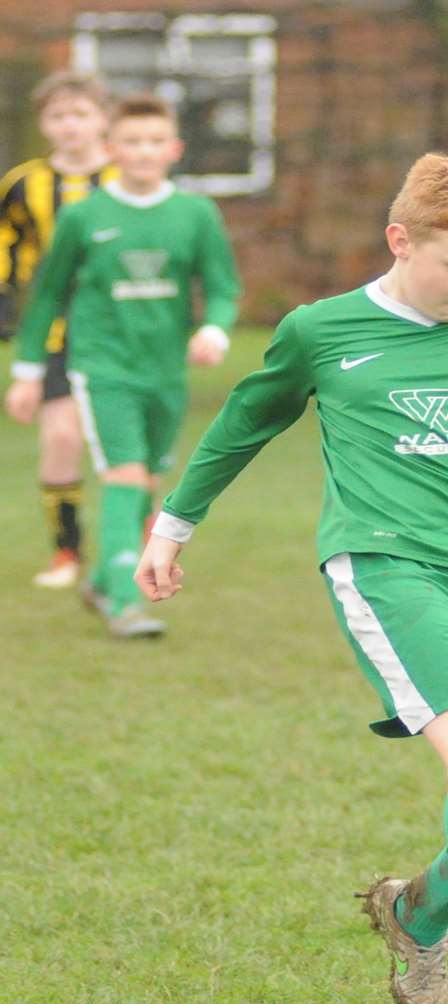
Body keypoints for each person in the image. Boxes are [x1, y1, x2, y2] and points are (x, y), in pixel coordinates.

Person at [131, 153, 448, 1004]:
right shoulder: (322, 330)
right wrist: (174, 524)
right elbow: (245, 422)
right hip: (385, 565)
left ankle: (416, 914)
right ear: (401, 239)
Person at [6, 93, 236, 636]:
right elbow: (46, 297)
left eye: (155, 141)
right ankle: (119, 597)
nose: (143, 151)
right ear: (112, 149)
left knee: (148, 480)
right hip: (101, 365)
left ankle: (103, 580)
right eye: (131, 142)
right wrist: (27, 371)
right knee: (124, 473)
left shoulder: (195, 213)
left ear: (174, 149)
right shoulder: (84, 216)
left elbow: (223, 287)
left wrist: (213, 328)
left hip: (164, 372)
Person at [0, 71, 116, 588]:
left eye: (81, 114)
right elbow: (5, 245)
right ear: (45, 123)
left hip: (121, 333)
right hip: (54, 334)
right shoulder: (24, 183)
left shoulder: (125, 178)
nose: (70, 125)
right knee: (62, 437)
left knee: (124, 449)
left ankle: (134, 548)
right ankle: (67, 552)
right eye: (58, 115)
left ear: (103, 119)